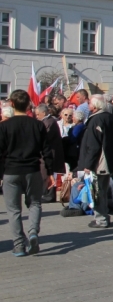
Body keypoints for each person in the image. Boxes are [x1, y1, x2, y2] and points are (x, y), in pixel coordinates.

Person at [0, 90, 51, 256]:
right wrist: (49, 171)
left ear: (12, 105)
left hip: (11, 170)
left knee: (14, 210)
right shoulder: (37, 125)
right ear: (29, 104)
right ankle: (33, 232)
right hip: (32, 169)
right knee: (35, 203)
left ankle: (19, 245)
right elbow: (47, 150)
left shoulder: (4, 126)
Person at [78, 94, 113, 229]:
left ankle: (101, 219)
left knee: (97, 191)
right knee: (101, 190)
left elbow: (93, 145)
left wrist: (88, 164)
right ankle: (103, 216)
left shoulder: (97, 119)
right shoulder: (110, 117)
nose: (88, 106)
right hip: (108, 160)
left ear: (96, 105)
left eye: (90, 103)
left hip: (100, 162)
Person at [34, 104, 66, 181]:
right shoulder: (47, 121)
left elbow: (44, 138)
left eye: (38, 114)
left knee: (47, 178)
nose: (36, 117)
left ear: (44, 113)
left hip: (51, 154)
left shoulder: (49, 122)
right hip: (48, 153)